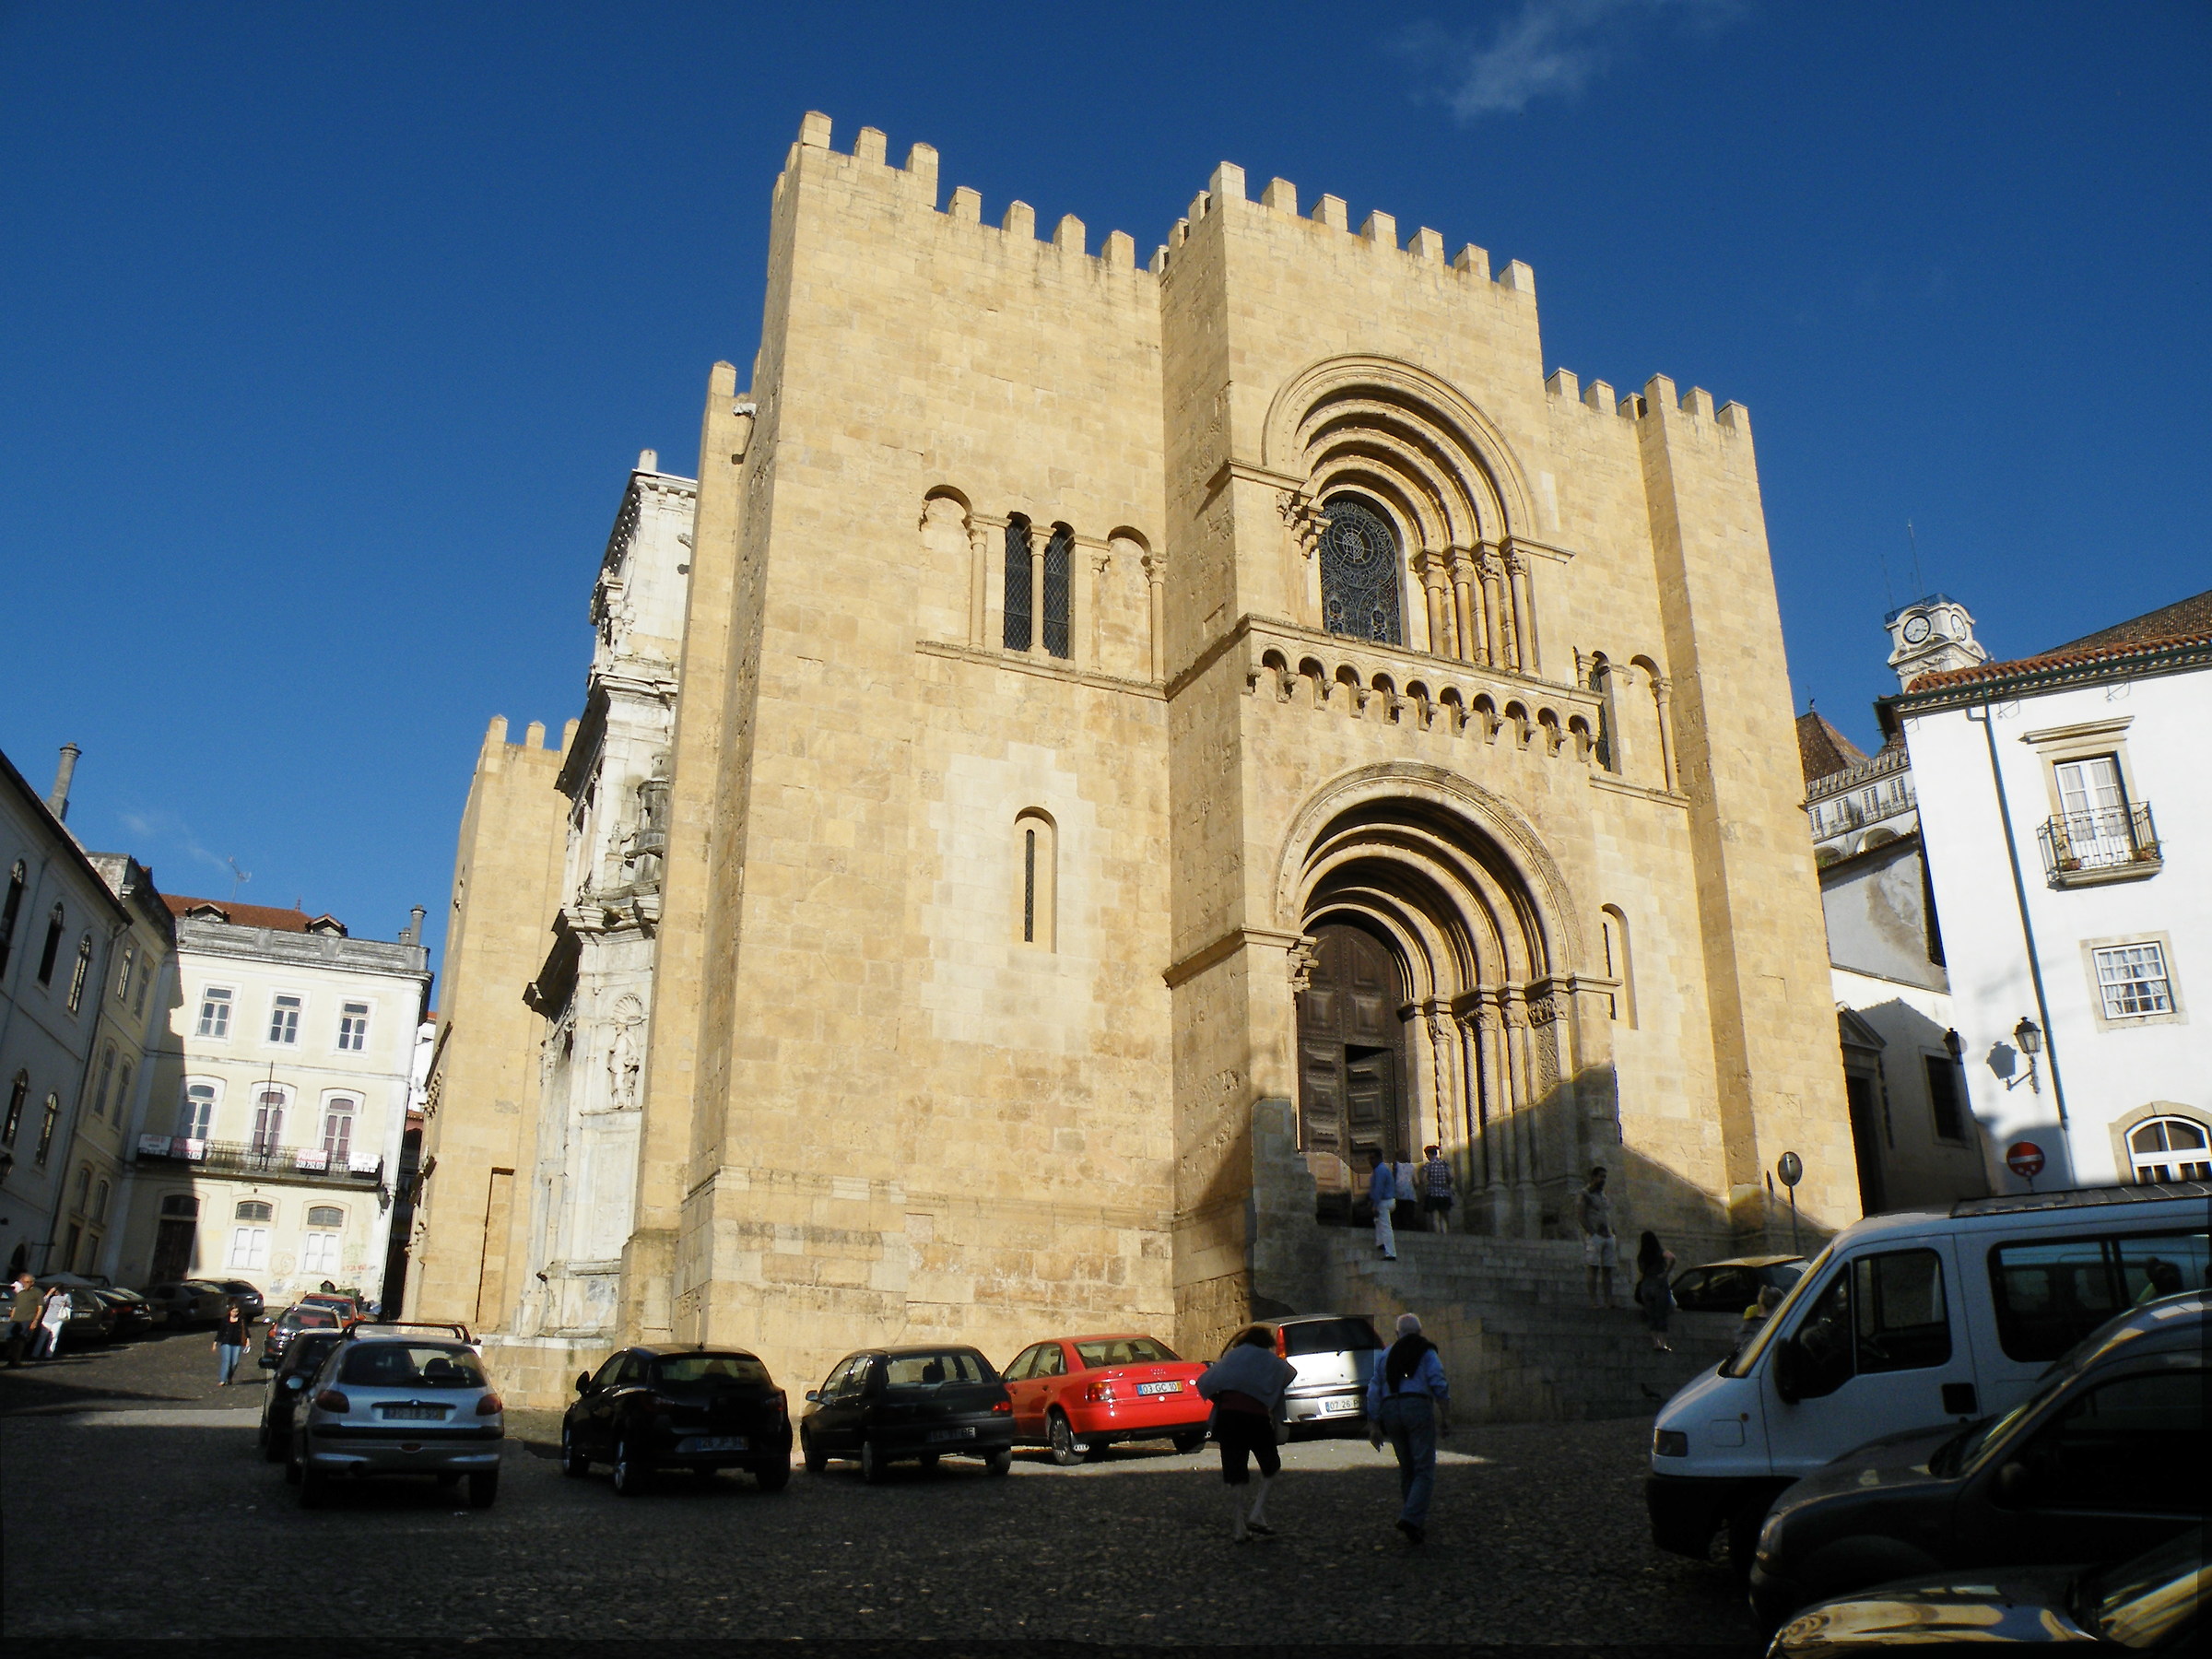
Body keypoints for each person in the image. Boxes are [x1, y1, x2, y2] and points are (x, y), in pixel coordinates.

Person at [1194, 1325, 1298, 1542]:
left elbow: (1205, 1382)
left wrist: (1223, 1397)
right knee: (1271, 1466)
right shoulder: (1269, 1360)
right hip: (1256, 1418)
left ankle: (1239, 1527)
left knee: (1235, 1473)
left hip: (1229, 1418)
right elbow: (1290, 1373)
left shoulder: (1233, 1357)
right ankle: (1257, 1512)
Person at [1367, 1312, 1450, 1545]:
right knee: (1424, 1468)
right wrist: (1445, 1416)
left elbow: (1375, 1387)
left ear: (1397, 1334)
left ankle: (1412, 1519)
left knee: (1407, 1468)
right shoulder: (1426, 1352)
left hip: (1391, 1409)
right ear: (1420, 1332)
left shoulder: (1386, 1355)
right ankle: (1411, 1517)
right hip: (1417, 1406)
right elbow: (1438, 1381)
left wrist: (1373, 1423)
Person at [1576, 1167, 1618, 1308]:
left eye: (1605, 1177)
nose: (1603, 1180)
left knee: (1608, 1269)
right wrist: (1592, 1233)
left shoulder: (1603, 1195)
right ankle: (1593, 1301)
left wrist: (1613, 1232)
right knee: (1593, 1267)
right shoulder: (1585, 1194)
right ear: (1593, 1177)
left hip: (1608, 1235)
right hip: (1595, 1236)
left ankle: (1609, 1300)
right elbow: (1581, 1215)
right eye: (1601, 1176)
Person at [1634, 1231, 1677, 1352]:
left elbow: (1641, 1272)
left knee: (1651, 1315)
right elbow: (1672, 1258)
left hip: (1646, 1286)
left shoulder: (1641, 1256)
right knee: (1661, 1314)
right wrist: (1666, 1273)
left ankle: (1655, 1342)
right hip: (1659, 1285)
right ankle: (1663, 1343)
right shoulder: (1660, 1252)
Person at [213, 1296, 253, 1384]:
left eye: (236, 1312)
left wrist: (248, 1341)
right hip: (226, 1342)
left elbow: (245, 1331)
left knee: (234, 1363)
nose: (234, 1313)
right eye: (233, 1311)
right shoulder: (225, 1320)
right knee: (226, 1361)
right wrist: (215, 1343)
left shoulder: (241, 1320)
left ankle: (229, 1377)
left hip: (237, 1343)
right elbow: (221, 1332)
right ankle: (222, 1380)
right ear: (230, 1311)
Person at [6, 1271, 41, 1366]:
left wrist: (35, 1321)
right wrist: (11, 1318)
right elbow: (15, 1307)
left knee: (21, 1340)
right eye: (24, 1282)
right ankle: (11, 1357)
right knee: (9, 1337)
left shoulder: (37, 1292)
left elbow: (40, 1307)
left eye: (28, 1282)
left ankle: (16, 1360)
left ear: (32, 1283)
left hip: (27, 1319)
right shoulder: (21, 1293)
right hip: (15, 1320)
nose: (26, 1284)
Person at [1368, 1152, 1398, 1261]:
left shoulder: (1379, 1170)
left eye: (1372, 1158)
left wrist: (1375, 1204)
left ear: (1379, 1158)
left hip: (1383, 1201)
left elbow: (1378, 1188)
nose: (1370, 1161)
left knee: (1385, 1227)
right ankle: (1380, 1242)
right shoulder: (1384, 1169)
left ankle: (1391, 1253)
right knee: (1378, 1221)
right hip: (1389, 1200)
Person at [1418, 1145, 1454, 1233]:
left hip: (1433, 1193)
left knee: (1435, 1217)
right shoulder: (1444, 1164)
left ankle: (1437, 1234)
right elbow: (1451, 1176)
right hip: (1444, 1193)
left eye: (1427, 1155)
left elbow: (1424, 1179)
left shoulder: (1429, 1166)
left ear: (1429, 1154)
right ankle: (1444, 1233)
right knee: (1443, 1216)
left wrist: (1426, 1183)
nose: (1427, 1157)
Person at [32, 1283, 71, 1360]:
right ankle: (35, 1354)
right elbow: (43, 1302)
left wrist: (65, 1304)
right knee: (42, 1337)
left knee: (53, 1337)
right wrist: (49, 1293)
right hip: (47, 1318)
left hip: (58, 1319)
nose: (55, 1292)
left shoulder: (66, 1296)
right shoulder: (51, 1297)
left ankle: (49, 1355)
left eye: (56, 1290)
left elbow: (69, 1305)